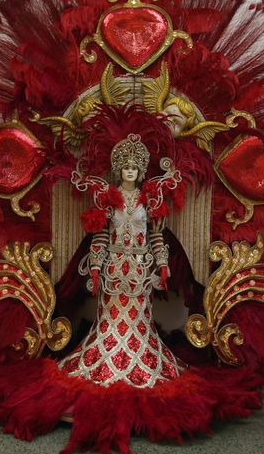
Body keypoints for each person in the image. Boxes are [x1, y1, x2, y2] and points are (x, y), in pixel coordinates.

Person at [58, 134, 184, 387]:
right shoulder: (108, 199)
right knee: (111, 317)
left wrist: (162, 265)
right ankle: (106, 358)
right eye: (126, 167)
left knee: (139, 317)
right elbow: (101, 236)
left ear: (139, 172)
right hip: (113, 267)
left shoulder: (149, 200)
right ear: (119, 170)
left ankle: (141, 359)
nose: (129, 171)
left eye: (134, 168)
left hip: (139, 268)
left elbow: (156, 236)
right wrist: (95, 268)